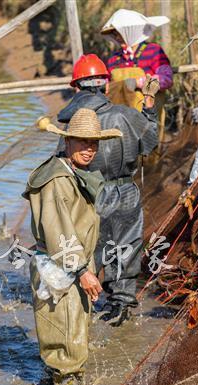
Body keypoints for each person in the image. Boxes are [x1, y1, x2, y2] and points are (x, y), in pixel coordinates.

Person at [57, 53, 160, 326]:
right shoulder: (127, 115)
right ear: (105, 85)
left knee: (92, 249)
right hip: (126, 191)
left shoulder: (75, 122)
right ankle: (121, 306)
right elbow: (150, 142)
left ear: (76, 87)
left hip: (92, 195)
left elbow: (62, 164)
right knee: (126, 246)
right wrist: (149, 105)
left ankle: (83, 305)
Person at [24, 108, 121, 385]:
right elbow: (59, 232)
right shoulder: (56, 180)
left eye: (94, 143)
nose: (89, 149)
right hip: (60, 266)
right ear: (67, 142)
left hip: (73, 263)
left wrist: (86, 267)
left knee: (74, 329)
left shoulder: (74, 172)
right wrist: (82, 270)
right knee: (64, 337)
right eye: (82, 141)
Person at [101, 8, 172, 113]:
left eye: (119, 33)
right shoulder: (113, 59)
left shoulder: (154, 51)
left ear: (131, 31)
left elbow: (167, 79)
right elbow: (107, 86)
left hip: (148, 115)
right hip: (120, 116)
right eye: (114, 34)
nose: (116, 38)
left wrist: (139, 83)